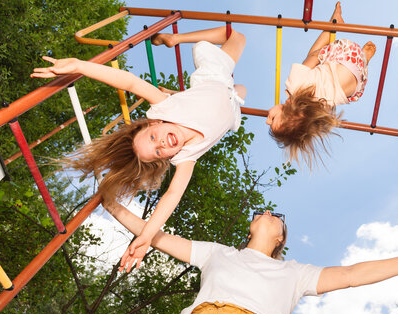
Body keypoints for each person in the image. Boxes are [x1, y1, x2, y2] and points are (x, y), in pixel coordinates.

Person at [104, 201, 398, 314]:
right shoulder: (218, 253)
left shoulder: (294, 273)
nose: (269, 212)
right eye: (262, 211)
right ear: (251, 227)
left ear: (280, 238)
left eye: (277, 217)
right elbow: (158, 236)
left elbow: (350, 276)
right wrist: (111, 203)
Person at [31, 26, 247, 260]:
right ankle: (190, 91)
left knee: (236, 37)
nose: (162, 144)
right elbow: (172, 195)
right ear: (164, 159)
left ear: (153, 123)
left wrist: (80, 66)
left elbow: (130, 82)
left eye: (154, 138)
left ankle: (176, 37)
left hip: (214, 77)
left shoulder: (165, 107)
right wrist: (146, 236)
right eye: (158, 151)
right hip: (231, 105)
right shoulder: (185, 157)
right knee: (240, 92)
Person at [267, 2, 377, 166]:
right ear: (291, 111)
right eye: (272, 118)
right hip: (346, 54)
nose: (267, 120)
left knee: (324, 80)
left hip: (358, 84)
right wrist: (319, 56)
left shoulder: (319, 112)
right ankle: (332, 25)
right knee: (312, 57)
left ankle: (365, 58)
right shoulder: (295, 85)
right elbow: (312, 59)